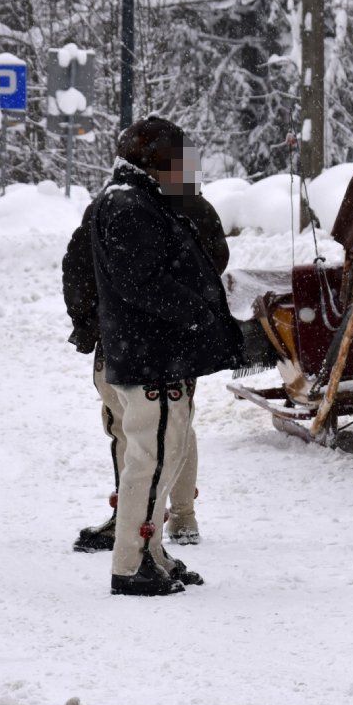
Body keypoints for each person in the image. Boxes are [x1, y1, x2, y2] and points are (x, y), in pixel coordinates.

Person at [71, 115, 244, 596]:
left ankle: (152, 553)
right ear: (155, 160)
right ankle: (132, 565)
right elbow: (141, 282)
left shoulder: (136, 200)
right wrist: (200, 313)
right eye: (179, 160)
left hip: (152, 353)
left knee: (161, 457)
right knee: (150, 459)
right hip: (152, 354)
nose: (186, 169)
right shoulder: (129, 206)